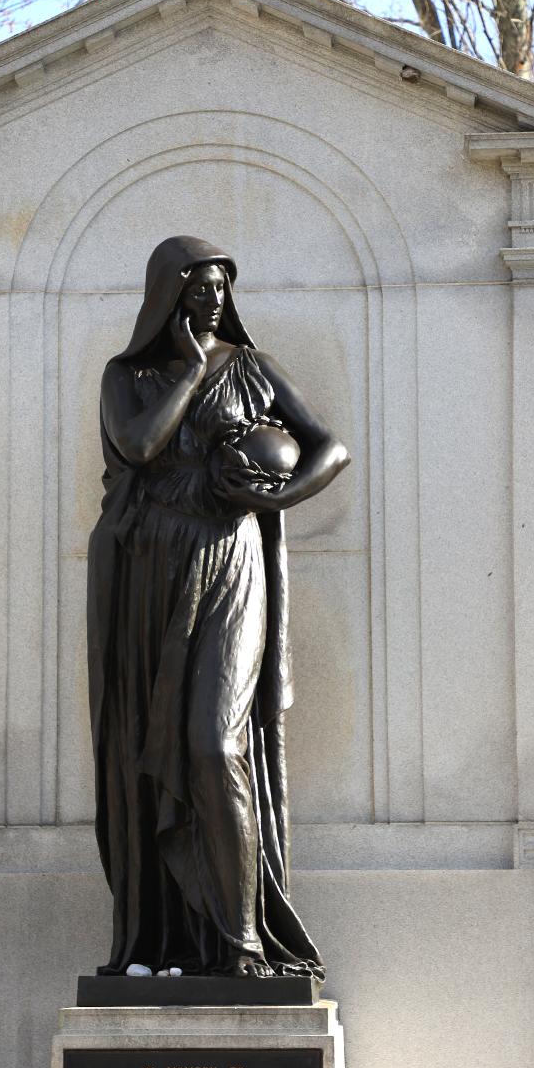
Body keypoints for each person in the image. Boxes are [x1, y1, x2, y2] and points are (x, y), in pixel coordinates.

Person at [88, 235, 349, 979]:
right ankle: (173, 941)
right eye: (197, 289)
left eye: (219, 289)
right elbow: (138, 446)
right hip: (150, 578)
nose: (211, 301)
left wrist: (277, 497)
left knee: (213, 741)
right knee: (153, 757)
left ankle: (242, 942)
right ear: (166, 294)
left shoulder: (255, 368)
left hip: (232, 565)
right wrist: (193, 370)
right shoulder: (126, 377)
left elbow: (329, 447)